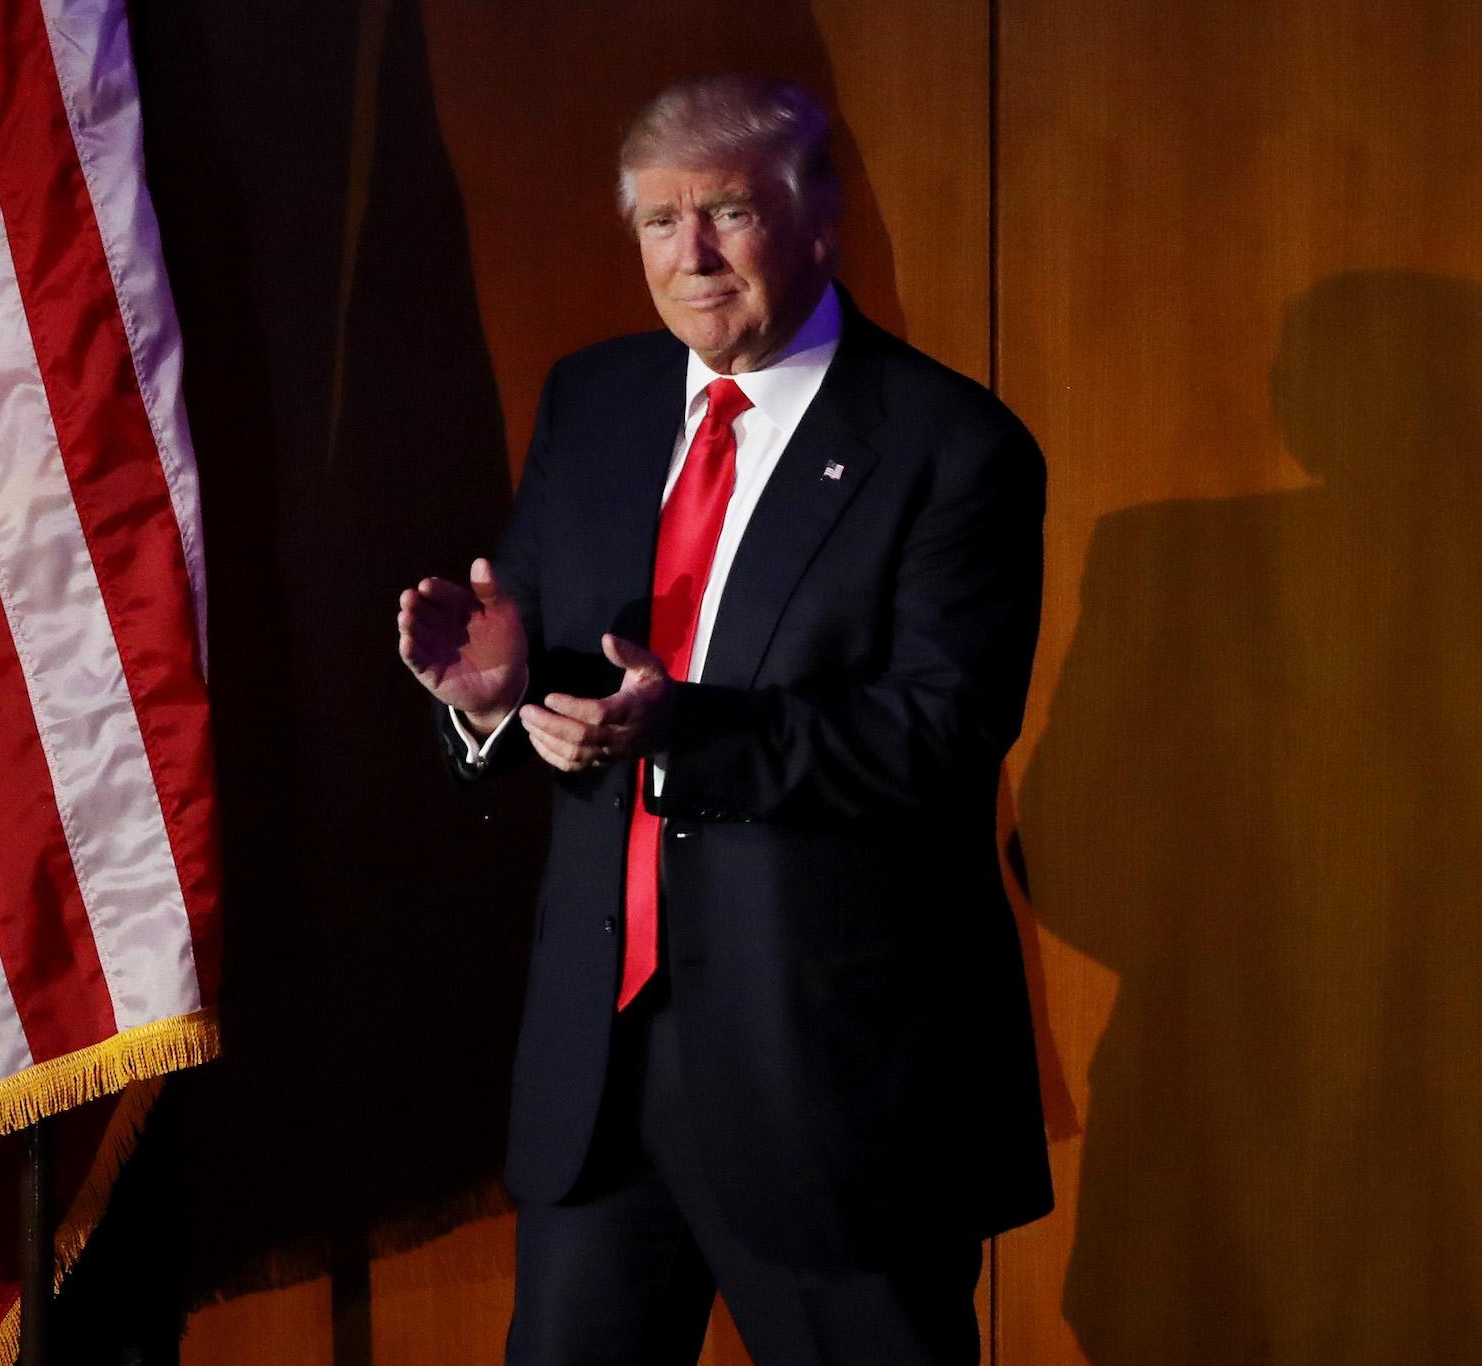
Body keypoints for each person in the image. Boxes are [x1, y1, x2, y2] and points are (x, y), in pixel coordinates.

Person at [397, 73, 1052, 1364]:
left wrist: (684, 735)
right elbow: (544, 657)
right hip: (603, 1074)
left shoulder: (950, 447)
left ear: (820, 220)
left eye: (729, 213)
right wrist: (492, 698)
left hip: (829, 1087)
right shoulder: (595, 403)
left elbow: (937, 732)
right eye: (657, 221)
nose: (690, 255)